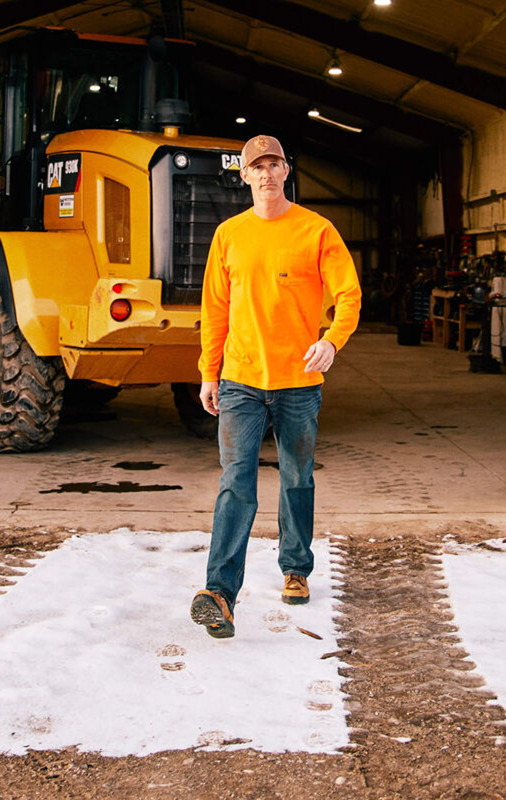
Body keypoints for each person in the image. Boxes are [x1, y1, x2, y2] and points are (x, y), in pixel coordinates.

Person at [190, 135, 361, 639]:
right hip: (241, 379)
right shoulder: (229, 235)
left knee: (296, 478)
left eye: (274, 164)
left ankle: (295, 570)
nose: (266, 173)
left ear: (287, 170)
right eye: (256, 166)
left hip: (298, 382)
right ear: (243, 175)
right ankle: (220, 592)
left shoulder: (316, 230)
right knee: (235, 483)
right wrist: (208, 371)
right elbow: (214, 310)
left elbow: (348, 294)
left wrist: (332, 341)